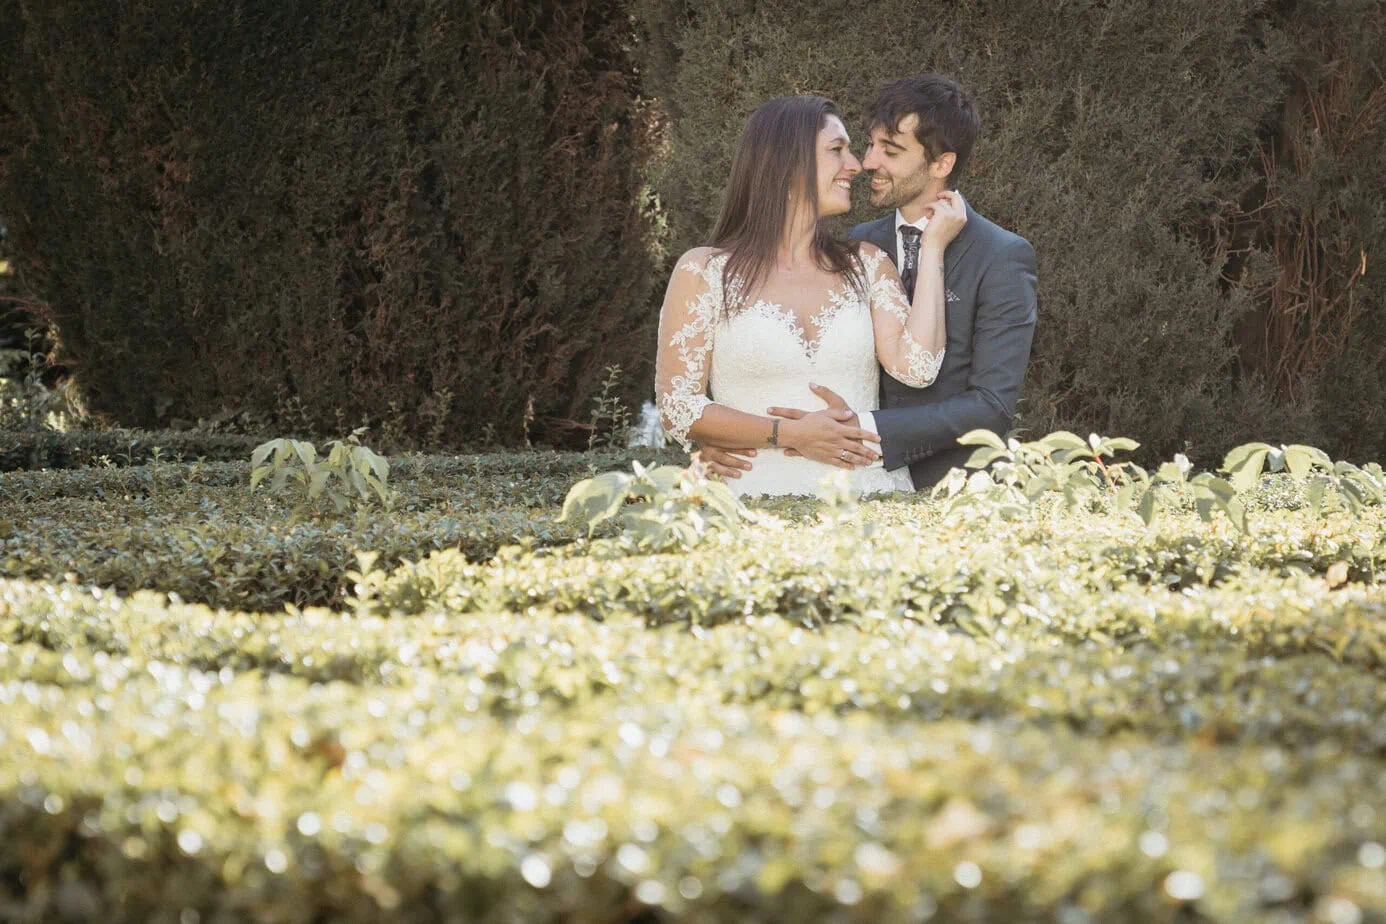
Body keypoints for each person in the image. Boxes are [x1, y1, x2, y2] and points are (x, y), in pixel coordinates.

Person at [698, 75, 1038, 491]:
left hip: (949, 489)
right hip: (828, 477)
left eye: (890, 150)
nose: (868, 162)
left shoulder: (1001, 255)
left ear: (941, 165)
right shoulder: (858, 244)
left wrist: (861, 428)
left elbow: (991, 405)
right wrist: (729, 437)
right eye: (871, 144)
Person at [653, 94, 965, 498]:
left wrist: (933, 248)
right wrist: (788, 434)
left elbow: (918, 367)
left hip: (870, 499)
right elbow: (678, 405)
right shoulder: (704, 272)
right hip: (747, 501)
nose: (856, 165)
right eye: (837, 150)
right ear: (786, 164)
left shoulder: (868, 265)